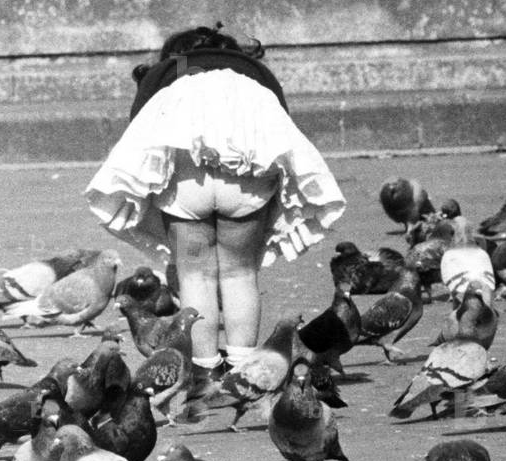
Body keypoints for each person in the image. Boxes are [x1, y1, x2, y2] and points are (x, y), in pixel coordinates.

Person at [85, 24, 346, 378]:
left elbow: (140, 133)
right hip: (245, 180)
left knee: (195, 276)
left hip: (185, 186)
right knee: (240, 273)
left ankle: (204, 369)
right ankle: (243, 368)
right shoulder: (252, 74)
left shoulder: (167, 74)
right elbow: (279, 129)